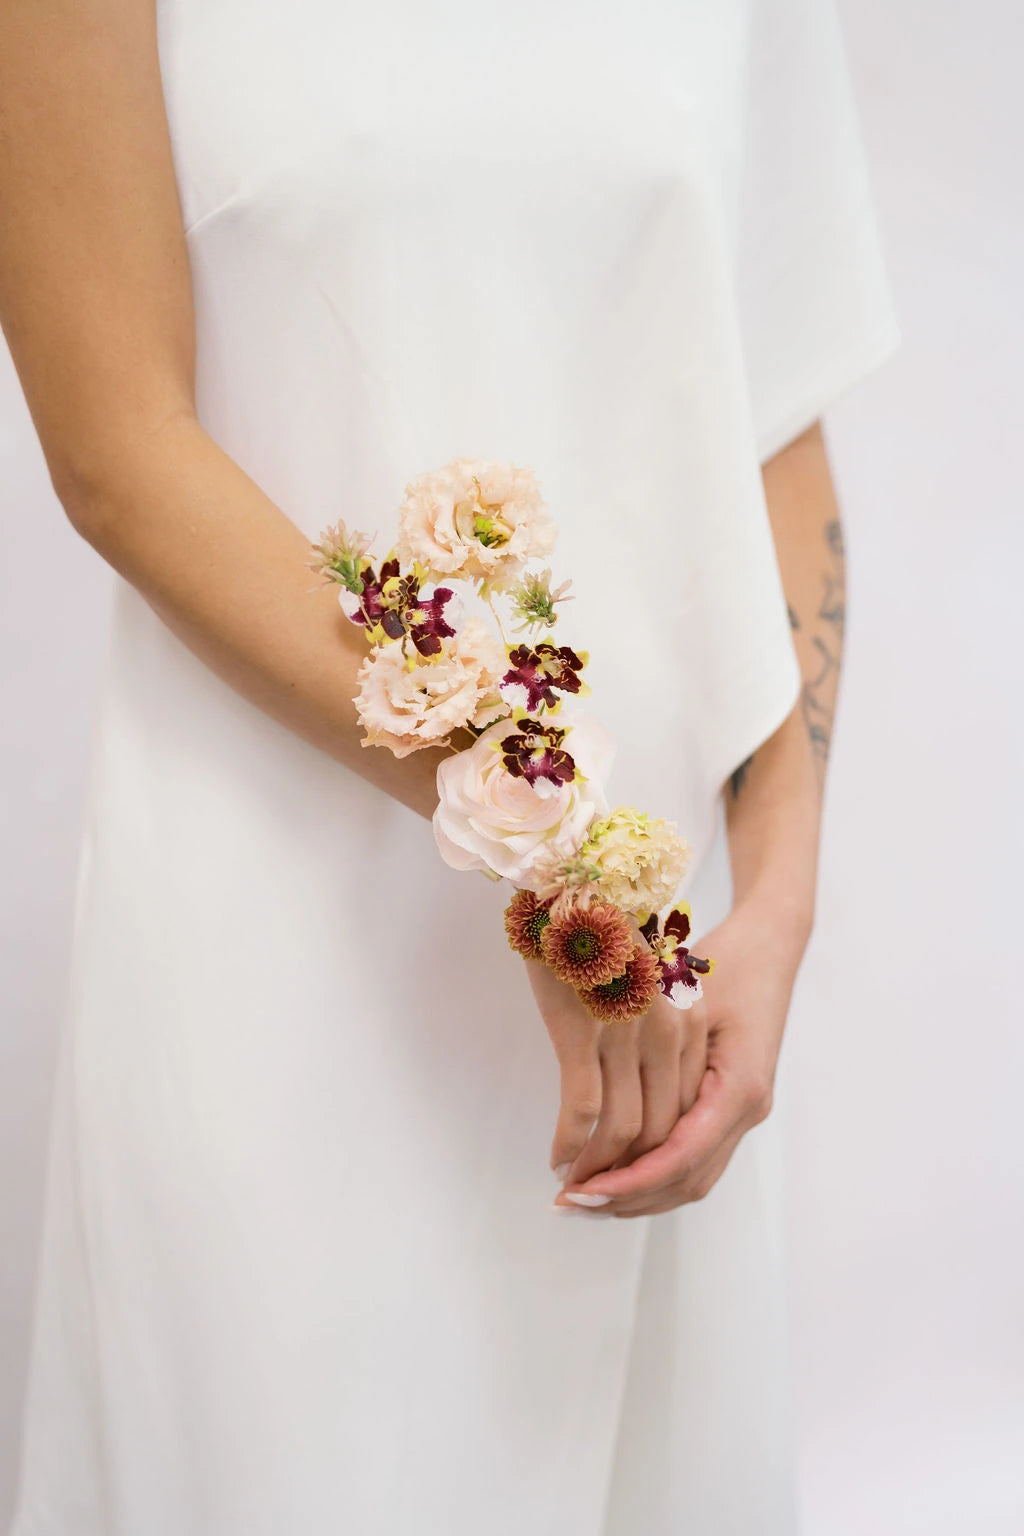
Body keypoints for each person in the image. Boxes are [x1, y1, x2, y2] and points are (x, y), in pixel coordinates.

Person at [0, 0, 899, 1531]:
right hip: (280, 976)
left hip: (656, 1011)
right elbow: (114, 445)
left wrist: (780, 903)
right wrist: (542, 843)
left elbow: (770, 414)